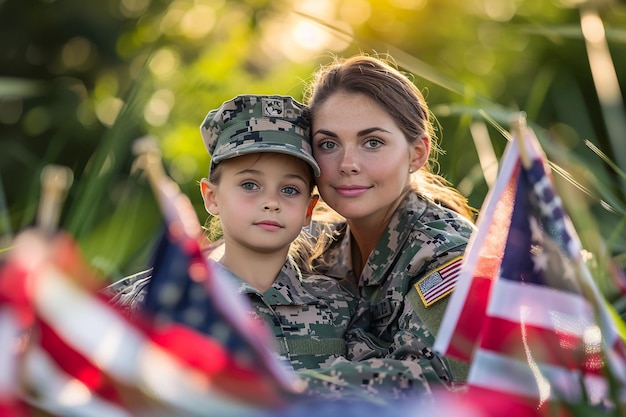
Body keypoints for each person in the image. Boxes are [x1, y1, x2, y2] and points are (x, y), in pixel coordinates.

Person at [107, 94, 357, 371]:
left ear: (308, 209)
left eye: (290, 190)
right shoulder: (160, 300)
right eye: (250, 185)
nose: (271, 202)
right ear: (211, 197)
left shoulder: (341, 307)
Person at [301, 54, 477, 385]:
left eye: (373, 142)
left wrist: (285, 386)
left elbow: (432, 382)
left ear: (417, 153)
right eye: (328, 144)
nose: (347, 164)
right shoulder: (318, 247)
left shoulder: (449, 256)